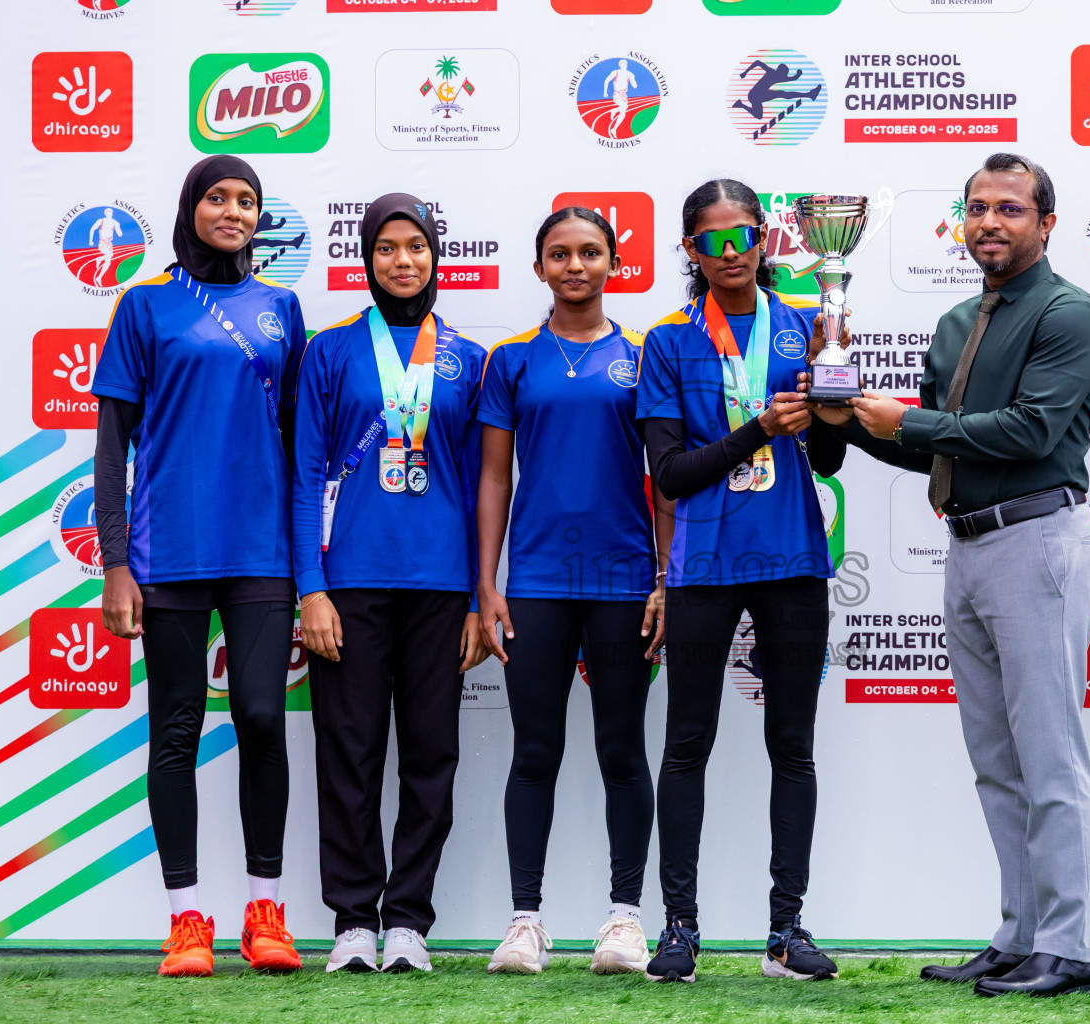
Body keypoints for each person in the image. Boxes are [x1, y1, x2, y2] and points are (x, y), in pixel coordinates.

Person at [834, 153, 1090, 997]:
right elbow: (933, 446)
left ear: (1046, 223)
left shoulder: (1071, 312)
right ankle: (1020, 935)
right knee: (997, 758)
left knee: (1051, 758)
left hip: (1037, 542)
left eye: (1010, 209)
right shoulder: (955, 323)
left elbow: (1027, 432)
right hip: (969, 548)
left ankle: (1069, 949)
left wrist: (907, 420)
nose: (990, 222)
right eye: (977, 209)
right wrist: (842, 413)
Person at [93, 155, 308, 978]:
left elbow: (300, 446)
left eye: (247, 200)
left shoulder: (282, 309)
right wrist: (116, 563)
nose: (233, 211)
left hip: (261, 551)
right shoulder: (144, 306)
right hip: (170, 551)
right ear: (191, 210)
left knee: (260, 717)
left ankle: (266, 910)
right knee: (175, 729)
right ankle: (187, 920)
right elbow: (112, 446)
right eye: (217, 198)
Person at [636, 179, 848, 984]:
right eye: (712, 241)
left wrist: (831, 399)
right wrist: (756, 425)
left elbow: (826, 462)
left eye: (744, 237)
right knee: (686, 743)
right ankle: (680, 929)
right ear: (690, 251)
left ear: (767, 240)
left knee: (792, 746)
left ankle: (786, 931)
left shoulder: (805, 328)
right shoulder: (668, 342)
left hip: (793, 559)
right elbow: (670, 477)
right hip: (703, 564)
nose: (731, 253)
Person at [292, 193, 489, 975]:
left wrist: (479, 597)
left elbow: (482, 485)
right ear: (367, 259)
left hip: (440, 587)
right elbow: (305, 472)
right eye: (386, 249)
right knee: (349, 750)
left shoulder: (468, 360)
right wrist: (311, 586)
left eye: (415, 247)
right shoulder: (330, 352)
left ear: (436, 256)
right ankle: (351, 919)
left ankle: (407, 921)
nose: (402, 261)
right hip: (350, 584)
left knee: (431, 754)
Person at [476, 207, 672, 976]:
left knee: (622, 750)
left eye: (591, 252)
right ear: (539, 268)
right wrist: (487, 587)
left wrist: (663, 577)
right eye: (560, 254)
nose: (575, 266)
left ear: (614, 262)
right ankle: (526, 922)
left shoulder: (642, 354)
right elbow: (494, 477)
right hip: (535, 585)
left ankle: (625, 920)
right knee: (535, 752)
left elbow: (664, 482)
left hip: (624, 583)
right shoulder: (512, 358)